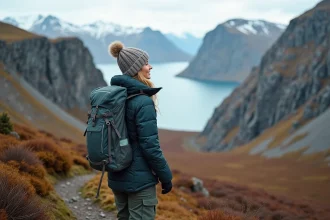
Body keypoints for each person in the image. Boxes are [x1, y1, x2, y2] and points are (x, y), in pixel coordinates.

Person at [107, 41, 173, 220]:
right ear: (135, 69)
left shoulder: (114, 96)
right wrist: (166, 176)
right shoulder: (142, 102)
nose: (150, 66)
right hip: (140, 182)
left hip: (117, 174)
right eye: (145, 63)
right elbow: (150, 145)